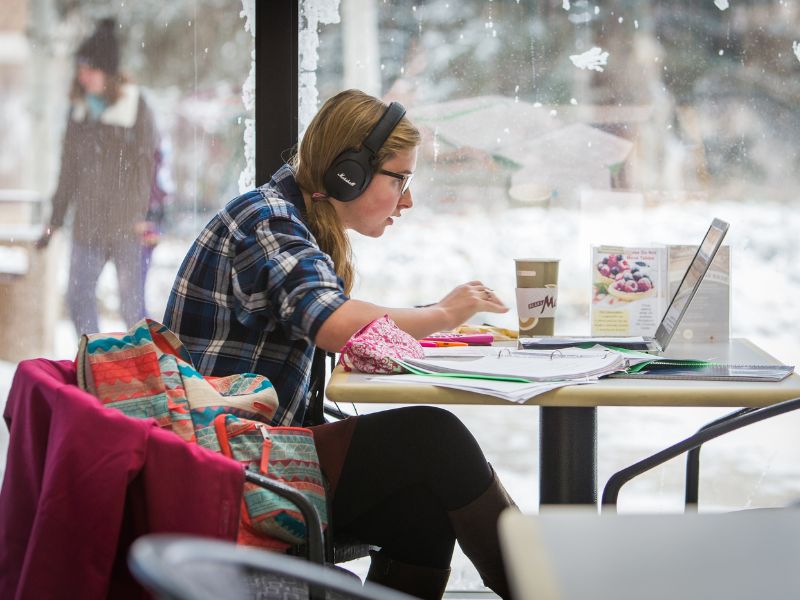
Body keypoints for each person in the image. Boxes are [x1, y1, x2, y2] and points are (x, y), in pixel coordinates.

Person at [163, 89, 516, 599]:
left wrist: (427, 324)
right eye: (400, 179)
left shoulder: (288, 220)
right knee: (433, 437)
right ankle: (545, 588)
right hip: (228, 471)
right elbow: (330, 319)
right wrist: (440, 314)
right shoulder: (268, 221)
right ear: (348, 172)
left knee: (421, 502)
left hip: (247, 455)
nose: (408, 200)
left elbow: (331, 315)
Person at [37, 18, 159, 336]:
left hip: (126, 226)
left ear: (107, 71)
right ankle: (94, 362)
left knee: (132, 308)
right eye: (81, 68)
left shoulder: (135, 108)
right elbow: (68, 171)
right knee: (77, 298)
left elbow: (147, 167)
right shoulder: (78, 112)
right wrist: (55, 219)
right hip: (88, 224)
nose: (83, 75)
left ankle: (142, 369)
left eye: (90, 68)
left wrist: (138, 215)